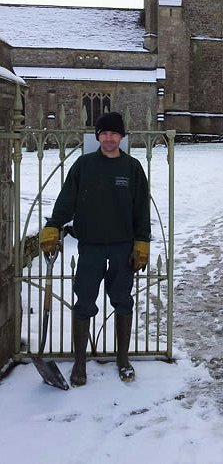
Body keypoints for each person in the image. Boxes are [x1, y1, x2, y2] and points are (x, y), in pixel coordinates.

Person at [39, 111, 150, 386]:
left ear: (121, 137)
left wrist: (142, 241)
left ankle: (122, 359)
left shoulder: (132, 168)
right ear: (98, 136)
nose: (109, 138)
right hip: (90, 247)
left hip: (123, 248)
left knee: (123, 300)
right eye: (104, 133)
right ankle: (79, 363)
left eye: (114, 133)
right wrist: (54, 225)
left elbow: (141, 209)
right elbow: (67, 199)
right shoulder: (84, 165)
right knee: (85, 301)